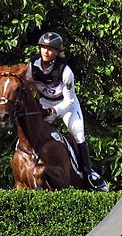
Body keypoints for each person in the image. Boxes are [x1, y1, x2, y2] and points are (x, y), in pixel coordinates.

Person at [26, 31, 108, 191]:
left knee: (78, 133)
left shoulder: (65, 71)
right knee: (31, 130)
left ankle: (88, 173)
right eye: (43, 47)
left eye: (50, 49)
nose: (45, 51)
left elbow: (69, 101)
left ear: (56, 52)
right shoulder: (32, 66)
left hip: (66, 106)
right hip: (45, 103)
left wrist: (53, 111)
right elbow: (25, 85)